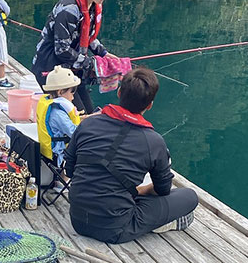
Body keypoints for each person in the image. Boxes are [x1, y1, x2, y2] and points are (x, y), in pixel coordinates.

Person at [65, 67, 198, 243]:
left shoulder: (88, 124)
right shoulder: (153, 140)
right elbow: (163, 189)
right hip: (115, 229)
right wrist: (142, 190)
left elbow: (69, 169)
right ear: (150, 105)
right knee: (189, 196)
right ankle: (161, 224)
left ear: (119, 92)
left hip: (78, 220)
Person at [32, 0, 121, 114]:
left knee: (91, 114)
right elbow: (62, 50)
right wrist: (93, 64)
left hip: (72, 69)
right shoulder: (69, 9)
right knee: (78, 118)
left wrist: (104, 54)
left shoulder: (93, 5)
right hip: (51, 69)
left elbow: (88, 37)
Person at [36, 66, 81, 190]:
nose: (73, 96)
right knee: (86, 148)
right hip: (57, 154)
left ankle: (61, 178)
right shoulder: (58, 113)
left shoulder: (48, 103)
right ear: (60, 92)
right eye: (72, 91)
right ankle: (63, 181)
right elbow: (74, 133)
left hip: (46, 149)